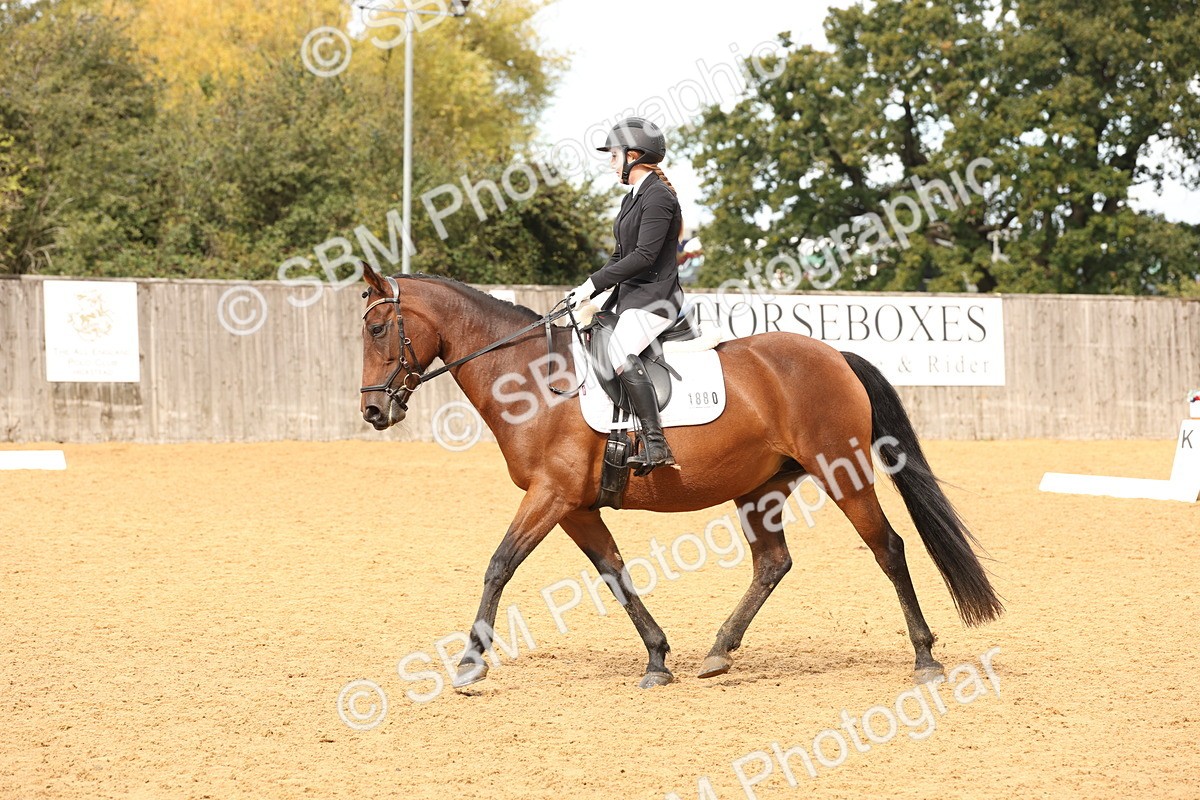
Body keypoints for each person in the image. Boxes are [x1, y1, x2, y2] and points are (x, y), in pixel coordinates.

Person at [567, 117, 684, 475]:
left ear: (634, 155)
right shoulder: (631, 199)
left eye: (614, 155)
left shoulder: (659, 198)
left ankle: (655, 442)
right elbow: (621, 255)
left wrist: (594, 282)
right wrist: (593, 290)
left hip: (656, 299)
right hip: (630, 297)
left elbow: (645, 257)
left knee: (619, 351)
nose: (610, 161)